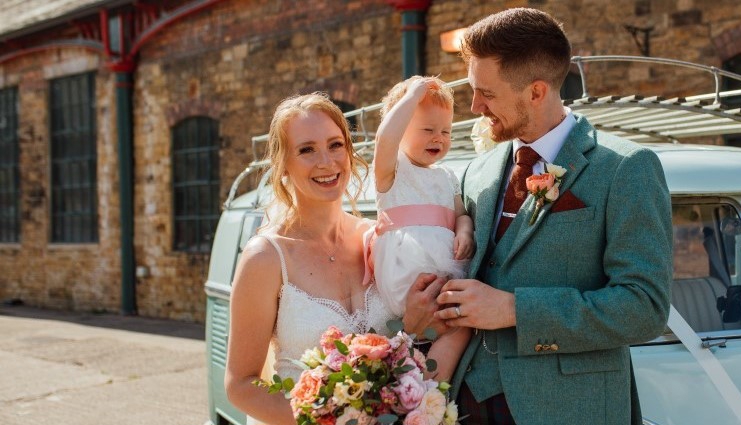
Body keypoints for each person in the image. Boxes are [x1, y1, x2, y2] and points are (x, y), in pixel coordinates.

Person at [433, 8, 673, 425]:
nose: (474, 107)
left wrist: (515, 310)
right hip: (464, 405)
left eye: (486, 93)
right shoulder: (478, 171)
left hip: (567, 409)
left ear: (537, 91)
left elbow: (645, 307)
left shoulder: (625, 168)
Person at [224, 93, 445, 425]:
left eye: (336, 145)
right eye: (306, 150)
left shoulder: (380, 238)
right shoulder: (266, 258)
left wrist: (413, 328)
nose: (327, 162)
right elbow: (241, 385)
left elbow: (415, 345)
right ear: (283, 163)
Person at [371, 75, 474, 381]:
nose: (438, 138)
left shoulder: (447, 176)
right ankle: (417, 388)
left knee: (457, 329)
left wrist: (464, 231)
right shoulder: (392, 172)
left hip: (445, 271)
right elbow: (385, 139)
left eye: (445, 131)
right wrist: (412, 96)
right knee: (443, 324)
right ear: (401, 128)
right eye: (428, 130)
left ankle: (429, 391)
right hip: (406, 273)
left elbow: (461, 214)